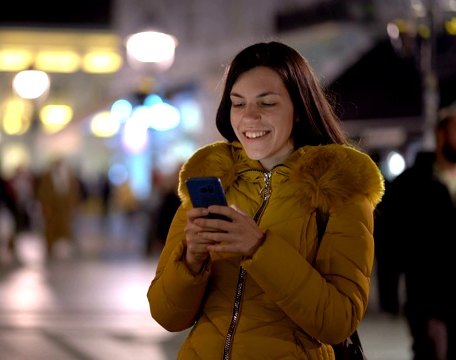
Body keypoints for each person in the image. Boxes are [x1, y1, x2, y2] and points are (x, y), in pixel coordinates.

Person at [146, 41, 385, 359]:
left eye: (267, 103)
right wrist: (191, 260)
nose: (250, 117)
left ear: (299, 109)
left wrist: (259, 247)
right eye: (238, 103)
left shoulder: (339, 188)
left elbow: (337, 322)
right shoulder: (212, 180)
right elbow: (167, 316)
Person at [374, 107, 456, 360]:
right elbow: (388, 241)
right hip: (427, 298)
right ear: (441, 135)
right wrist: (389, 296)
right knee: (431, 353)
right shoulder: (410, 184)